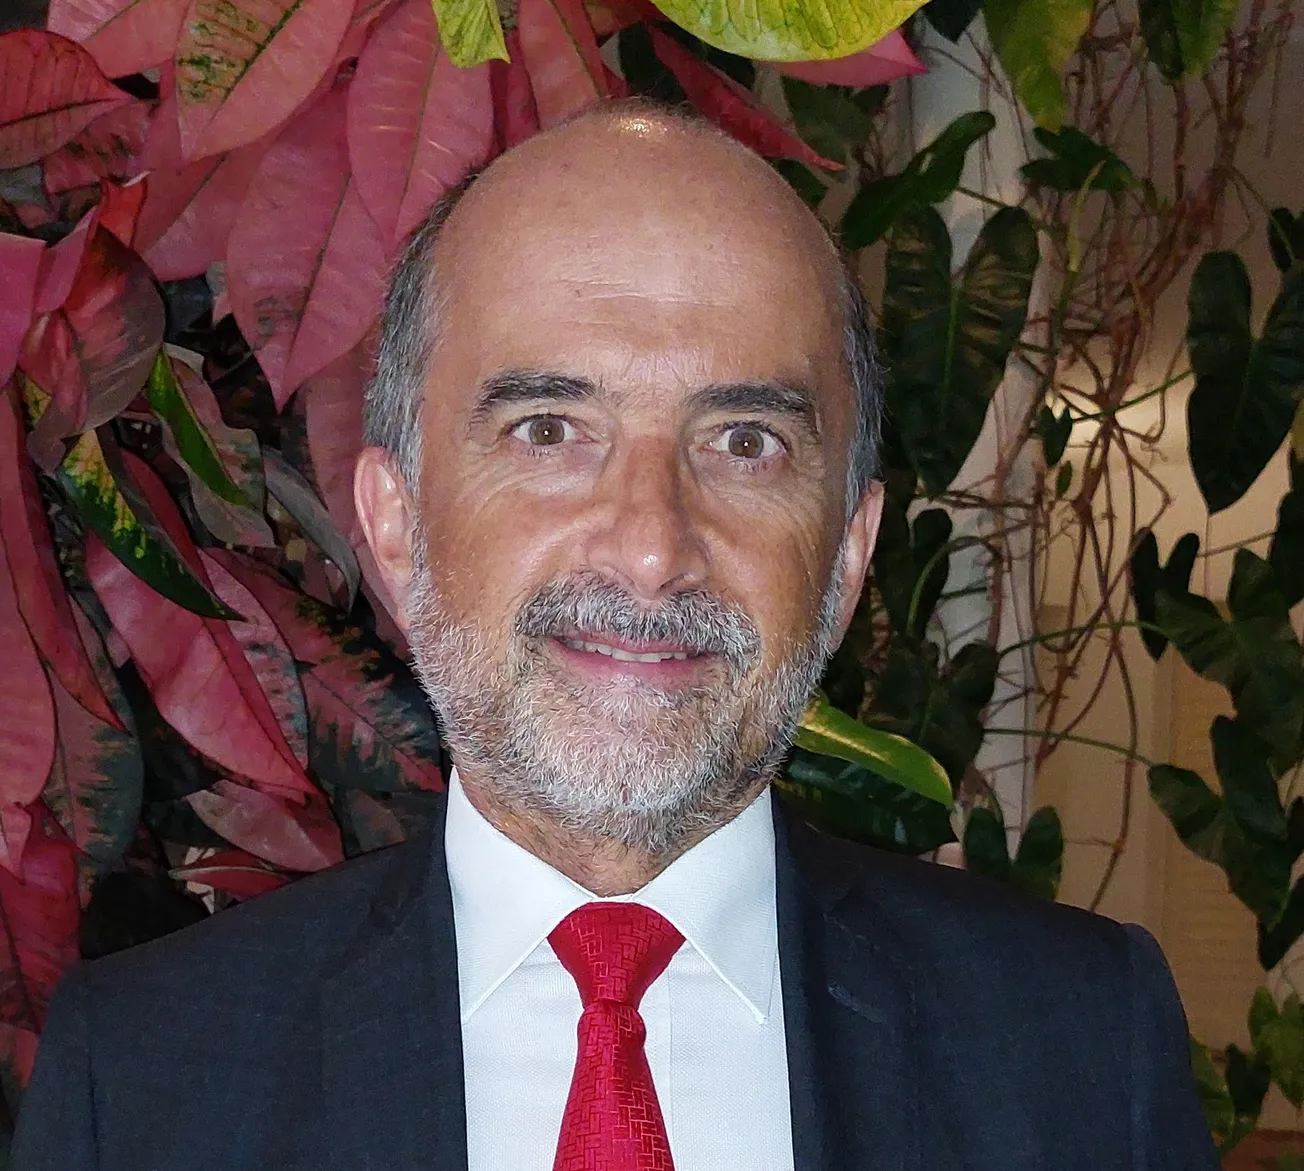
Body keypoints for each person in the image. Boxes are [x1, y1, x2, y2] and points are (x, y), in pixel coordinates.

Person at [13, 100, 1216, 1171]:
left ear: (847, 556)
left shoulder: (1077, 1044)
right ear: (393, 524)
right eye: (548, 429)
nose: (649, 548)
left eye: (743, 443)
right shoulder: (149, 1076)